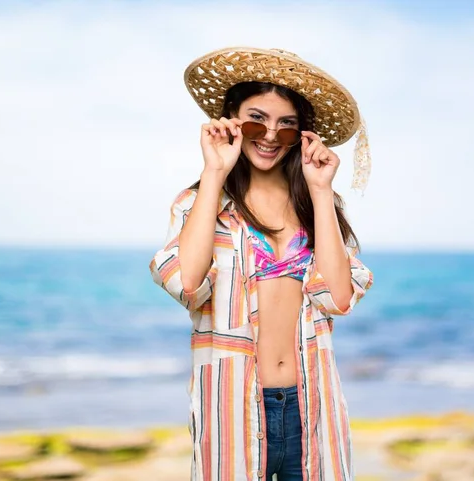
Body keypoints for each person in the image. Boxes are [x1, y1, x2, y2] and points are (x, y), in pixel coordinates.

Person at [150, 47, 374, 481]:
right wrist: (214, 172)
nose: (270, 136)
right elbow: (187, 283)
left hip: (313, 404)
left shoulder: (318, 205)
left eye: (286, 127)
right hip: (231, 406)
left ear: (302, 135)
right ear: (231, 120)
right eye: (257, 120)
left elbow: (339, 297)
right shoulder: (200, 204)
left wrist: (322, 191)